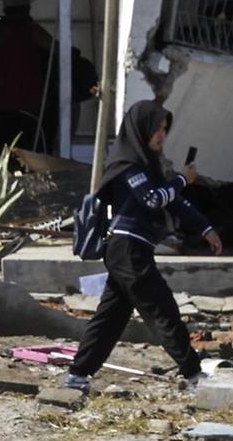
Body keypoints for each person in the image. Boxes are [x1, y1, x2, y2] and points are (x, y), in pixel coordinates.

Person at [64, 99, 222, 391]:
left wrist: (205, 228)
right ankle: (193, 375)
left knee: (110, 318)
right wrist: (182, 180)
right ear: (142, 128)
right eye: (157, 129)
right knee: (162, 309)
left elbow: (173, 201)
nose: (162, 136)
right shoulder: (127, 165)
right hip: (128, 250)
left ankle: (77, 375)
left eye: (164, 129)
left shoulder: (146, 166)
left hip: (131, 251)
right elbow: (153, 198)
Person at [0, 0, 98, 154]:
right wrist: (74, 52)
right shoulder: (30, 30)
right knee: (35, 146)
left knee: (10, 148)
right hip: (31, 103)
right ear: (27, 8)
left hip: (4, 104)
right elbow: (56, 49)